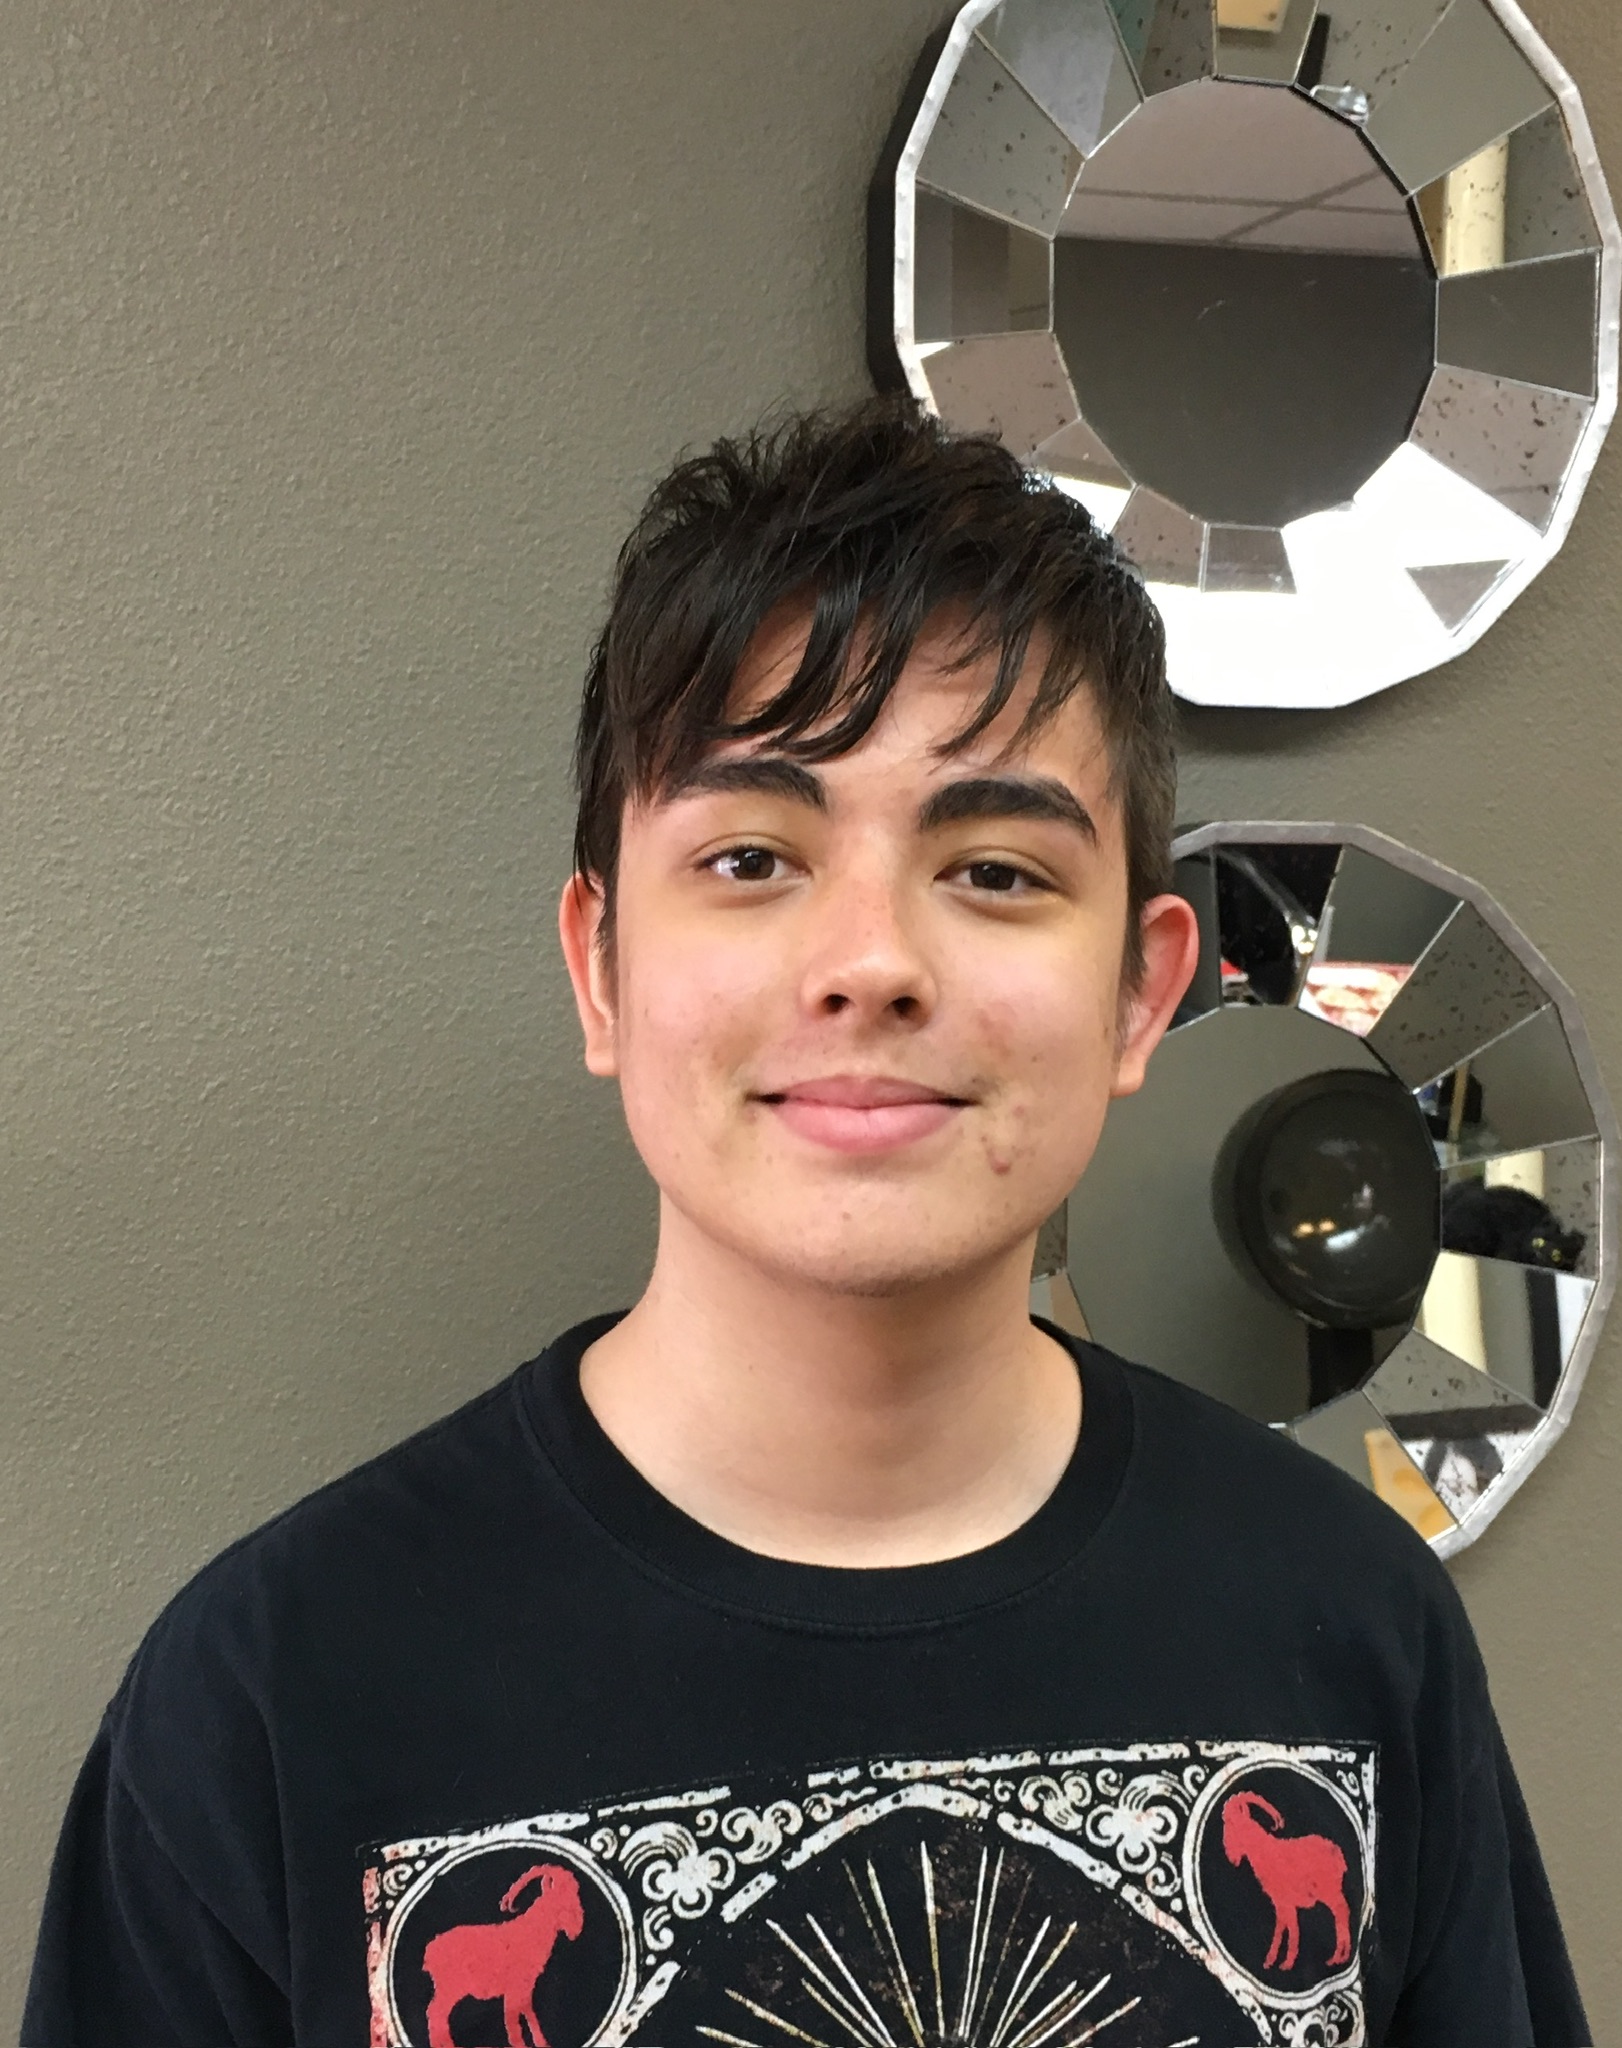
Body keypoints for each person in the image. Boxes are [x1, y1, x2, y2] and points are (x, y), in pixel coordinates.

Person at [23, 401, 1587, 2047]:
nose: (870, 962)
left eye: (995, 872)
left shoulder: (1350, 1625)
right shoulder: (272, 1695)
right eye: (753, 856)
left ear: (1140, 994)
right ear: (601, 967)